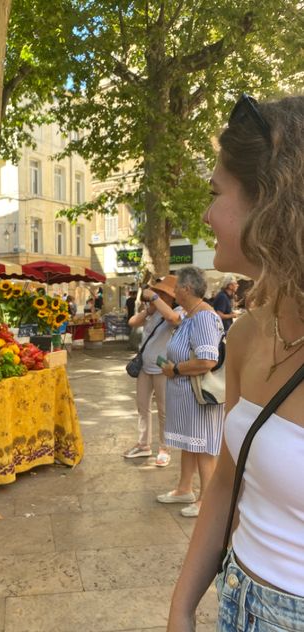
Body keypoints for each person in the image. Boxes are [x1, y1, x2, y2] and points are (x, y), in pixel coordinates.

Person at [167, 95, 304, 631]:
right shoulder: (250, 332)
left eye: (216, 194)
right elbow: (227, 479)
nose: (205, 214)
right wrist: (182, 607)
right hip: (235, 602)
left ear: (272, 202)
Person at [157, 266, 225, 518]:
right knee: (190, 443)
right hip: (188, 396)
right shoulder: (190, 315)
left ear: (187, 289)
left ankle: (206, 500)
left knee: (204, 447)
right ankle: (184, 489)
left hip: (200, 396)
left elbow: (208, 360)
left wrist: (175, 369)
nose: (173, 293)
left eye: (176, 288)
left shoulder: (204, 317)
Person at [124, 275, 182, 466]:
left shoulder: (179, 310)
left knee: (164, 410)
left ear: (171, 295)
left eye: (162, 292)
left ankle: (165, 449)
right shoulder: (155, 310)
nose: (157, 294)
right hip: (145, 367)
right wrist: (149, 309)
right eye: (157, 292)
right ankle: (143, 445)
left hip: (164, 367)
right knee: (142, 407)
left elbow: (174, 319)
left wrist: (156, 301)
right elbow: (132, 322)